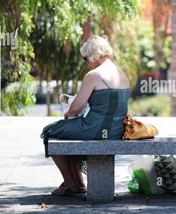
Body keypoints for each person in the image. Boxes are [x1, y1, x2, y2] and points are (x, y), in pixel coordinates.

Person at [41, 35, 130, 196]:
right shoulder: (120, 72)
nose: (86, 62)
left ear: (94, 55)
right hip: (116, 130)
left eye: (85, 58)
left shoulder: (94, 75)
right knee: (66, 133)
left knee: (50, 131)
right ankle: (78, 182)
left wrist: (68, 115)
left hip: (95, 128)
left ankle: (71, 183)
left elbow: (76, 107)